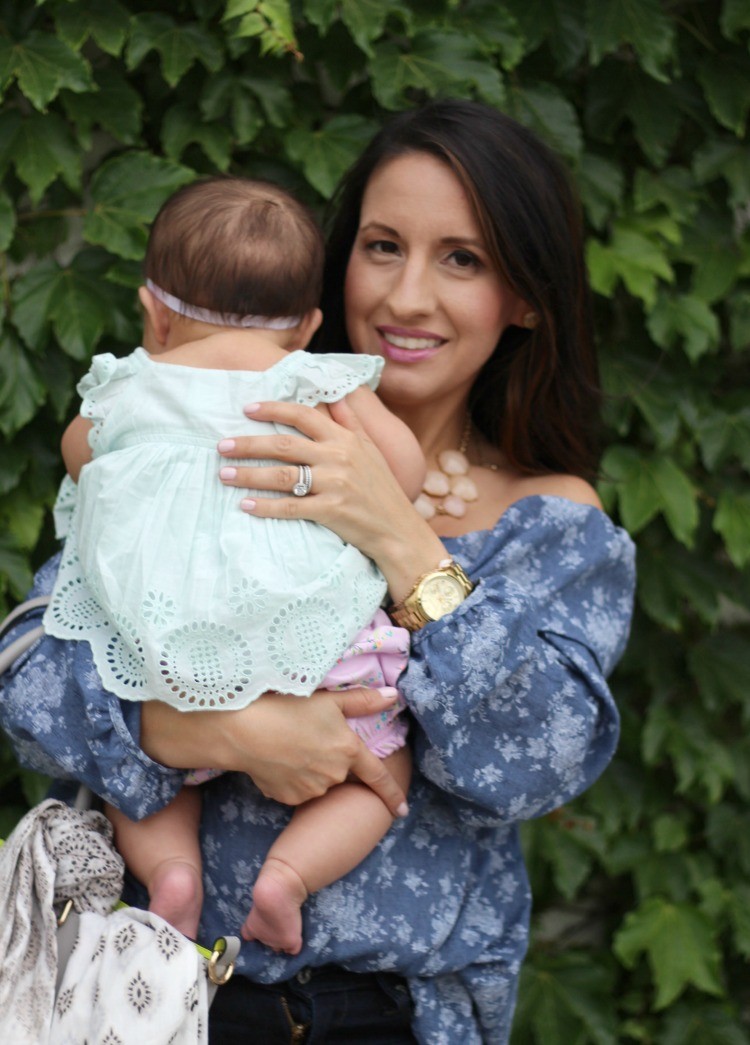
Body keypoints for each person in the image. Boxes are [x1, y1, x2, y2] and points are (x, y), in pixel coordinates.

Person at [0, 99, 636, 1044]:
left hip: (382, 1015)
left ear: (527, 295)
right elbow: (27, 674)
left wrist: (400, 536)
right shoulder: (224, 432)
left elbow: (533, 763)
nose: (407, 296)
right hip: (143, 997)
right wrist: (227, 725)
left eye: (462, 258)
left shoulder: (552, 522)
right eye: (383, 246)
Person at [42, 176, 421, 952]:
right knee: (386, 765)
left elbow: (80, 455)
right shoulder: (319, 381)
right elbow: (402, 475)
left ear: (153, 309)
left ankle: (174, 875)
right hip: (318, 647)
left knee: (142, 781)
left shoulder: (130, 384)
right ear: (311, 325)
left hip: (171, 650)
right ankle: (287, 878)